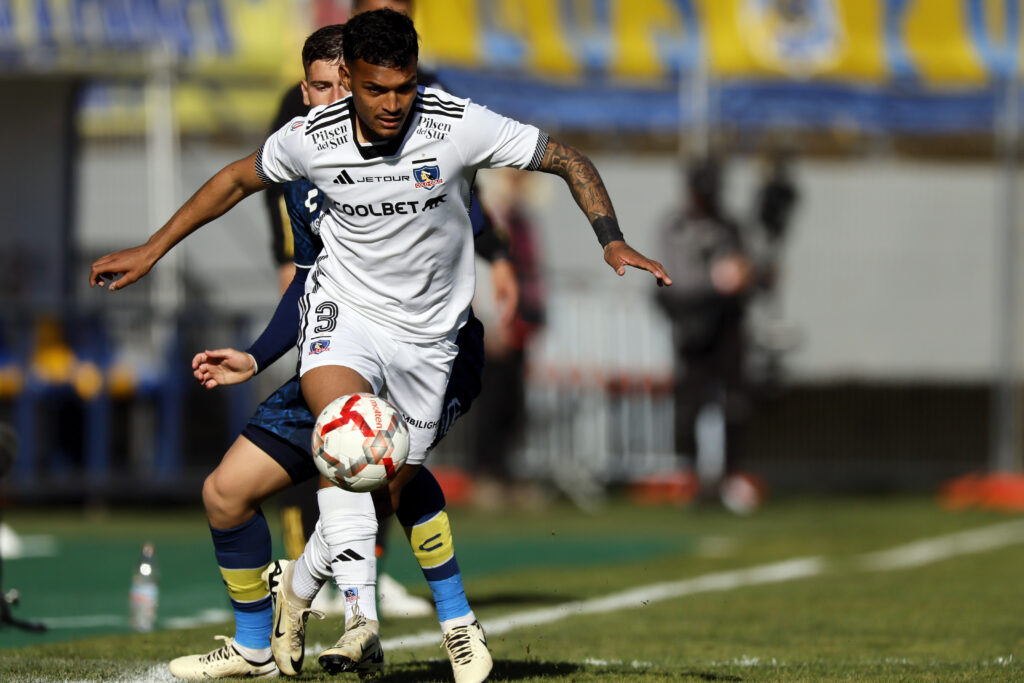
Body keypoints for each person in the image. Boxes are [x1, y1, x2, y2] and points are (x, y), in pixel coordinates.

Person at [89, 8, 671, 681]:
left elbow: (568, 159)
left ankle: (302, 591)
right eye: (375, 89)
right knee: (341, 440)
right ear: (351, 80)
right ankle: (352, 623)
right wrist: (152, 249)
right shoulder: (312, 139)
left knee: (388, 474)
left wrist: (611, 237)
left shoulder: (456, 123)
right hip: (347, 322)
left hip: (431, 343)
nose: (392, 104)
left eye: (404, 87)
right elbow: (233, 180)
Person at [262, 0, 517, 622]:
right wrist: (288, 271)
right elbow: (264, 187)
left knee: (383, 460)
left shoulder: (428, 102)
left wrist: (497, 252)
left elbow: (456, 187)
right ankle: (341, 597)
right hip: (340, 308)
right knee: (339, 439)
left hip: (421, 325)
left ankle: (336, 576)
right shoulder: (303, 130)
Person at [654, 156, 760, 513]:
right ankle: (695, 477)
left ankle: (729, 477)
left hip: (728, 328)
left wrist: (746, 276)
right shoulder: (676, 226)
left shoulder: (730, 226)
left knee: (734, 404)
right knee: (693, 404)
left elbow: (747, 269)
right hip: (693, 325)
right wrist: (715, 283)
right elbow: (674, 281)